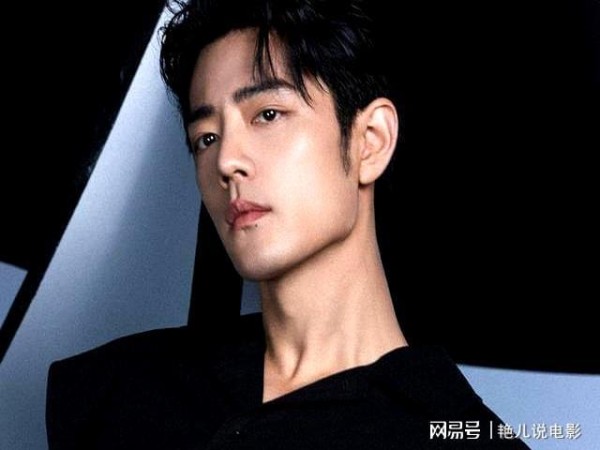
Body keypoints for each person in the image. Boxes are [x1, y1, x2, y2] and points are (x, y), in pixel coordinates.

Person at [46, 0, 531, 448]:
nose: (227, 161)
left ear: (371, 140)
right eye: (206, 137)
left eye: (268, 114)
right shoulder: (116, 389)